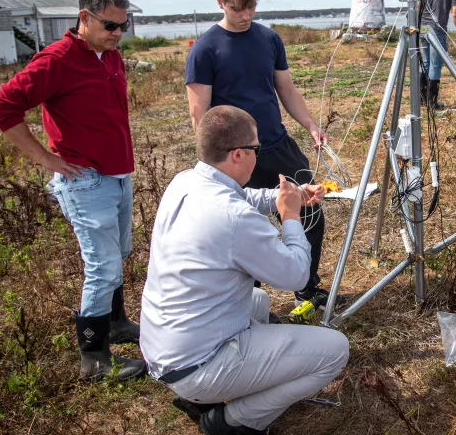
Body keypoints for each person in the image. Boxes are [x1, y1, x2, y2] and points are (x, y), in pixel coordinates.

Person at [140, 105, 350, 435]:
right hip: (196, 366)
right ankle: (234, 421)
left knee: (259, 304)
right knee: (334, 351)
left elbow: (241, 197)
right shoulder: (234, 218)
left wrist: (285, 196)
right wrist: (290, 217)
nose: (259, 154)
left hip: (163, 347)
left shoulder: (185, 181)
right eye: (256, 148)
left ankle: (214, 390)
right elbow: (296, 274)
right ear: (238, 155)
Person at [0, 0, 145, 381]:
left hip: (117, 175)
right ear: (84, 18)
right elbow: (1, 107)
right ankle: (94, 359)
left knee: (119, 254)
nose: (117, 34)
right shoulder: (56, 60)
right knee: (103, 265)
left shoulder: (107, 55)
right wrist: (44, 158)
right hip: (86, 181)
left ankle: (115, 322)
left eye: (123, 26)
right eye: (110, 25)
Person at [185, 0, 343, 312]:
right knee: (241, 233)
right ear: (219, 2)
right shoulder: (205, 50)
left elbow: (285, 89)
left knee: (310, 214)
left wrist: (311, 125)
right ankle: (247, 304)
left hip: (277, 145)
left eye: (251, 7)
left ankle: (307, 290)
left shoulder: (269, 38)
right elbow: (201, 116)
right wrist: (215, 166)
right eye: (237, 8)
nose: (245, 15)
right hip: (235, 158)